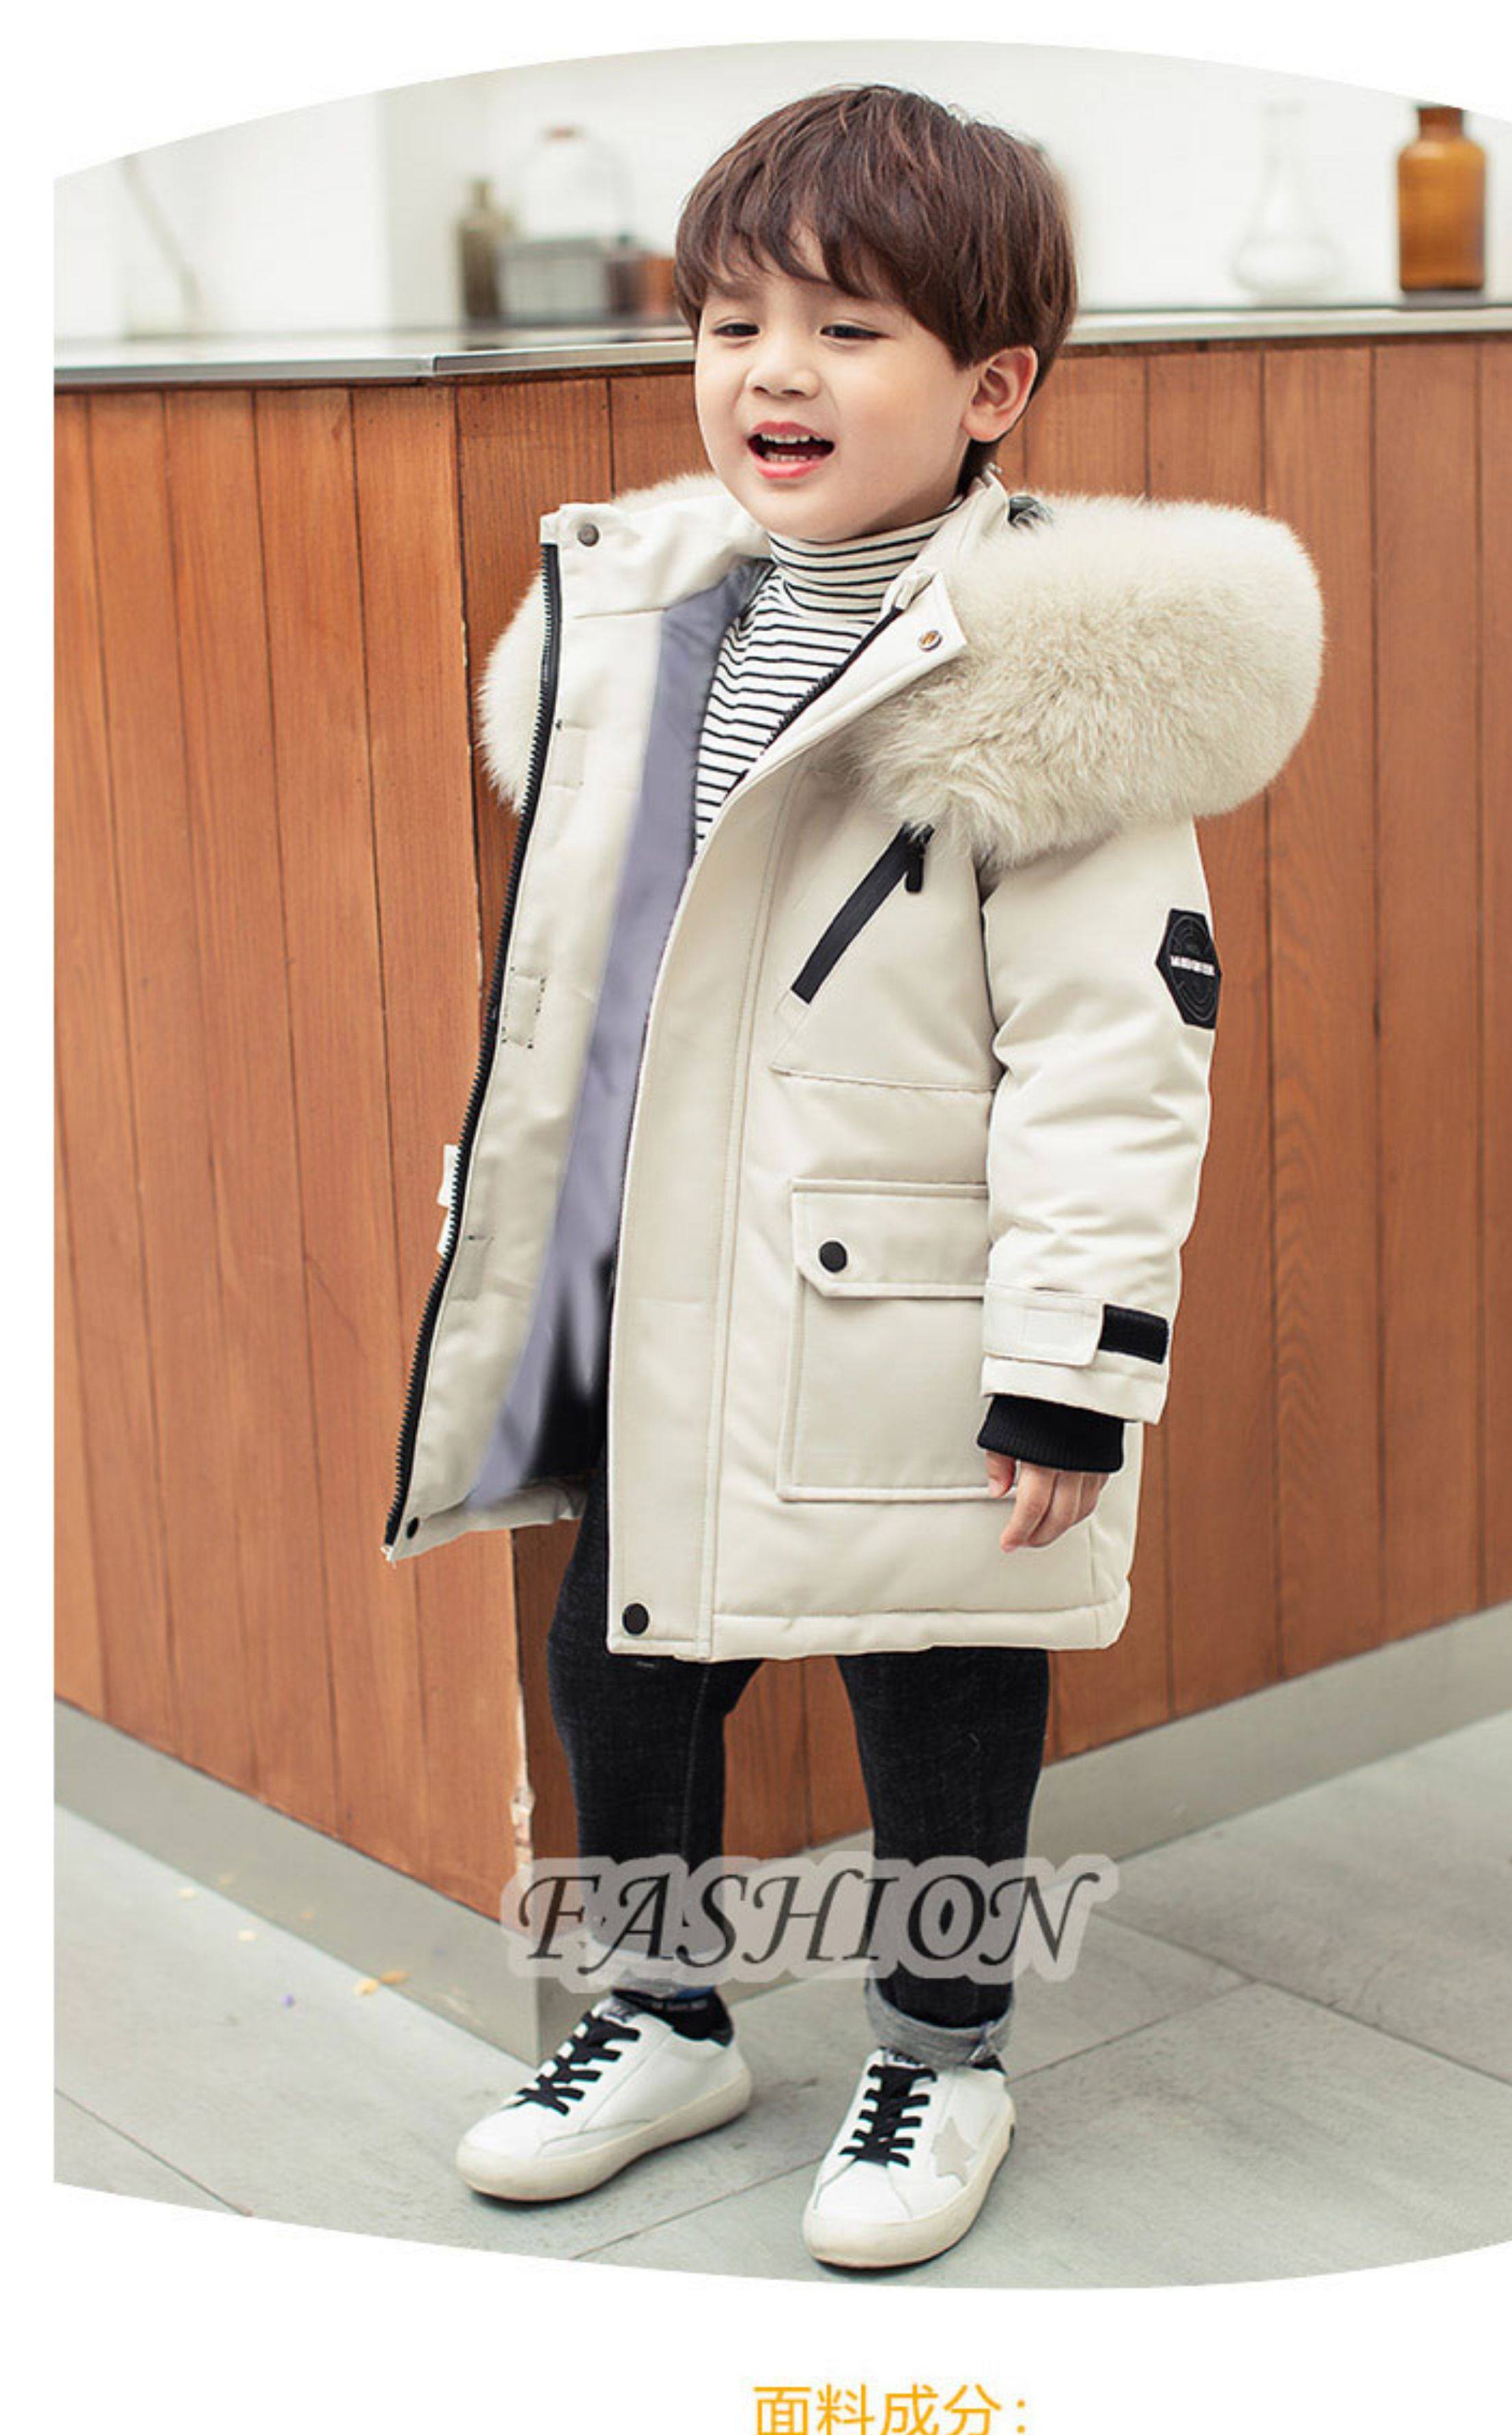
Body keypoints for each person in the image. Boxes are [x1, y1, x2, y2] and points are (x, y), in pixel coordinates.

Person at [387, 84, 1324, 2270]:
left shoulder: (1054, 676)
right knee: (624, 1671)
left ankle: (943, 2044)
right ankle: (658, 2011)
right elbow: (593, 992)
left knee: (942, 1687)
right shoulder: (642, 628)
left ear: (993, 388)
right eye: (730, 324)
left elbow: (1113, 1051)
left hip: (912, 1313)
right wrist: (522, 1227)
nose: (771, 373)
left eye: (844, 327)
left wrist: (1074, 1363)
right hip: (674, 1299)